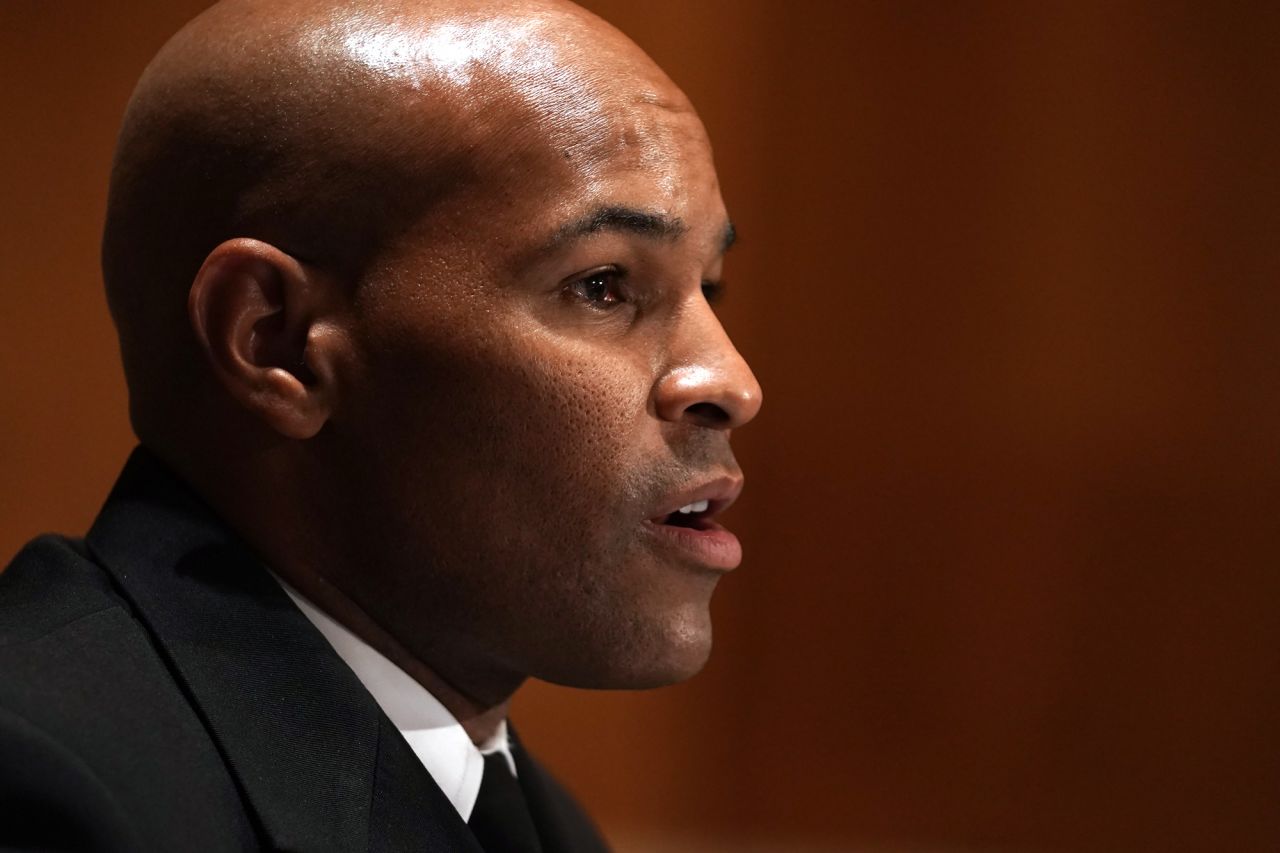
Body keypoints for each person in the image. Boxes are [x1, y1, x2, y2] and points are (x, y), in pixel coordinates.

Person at [0, 0, 761, 848]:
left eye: (712, 287)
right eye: (603, 286)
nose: (732, 381)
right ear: (275, 342)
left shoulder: (536, 822)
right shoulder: (41, 788)